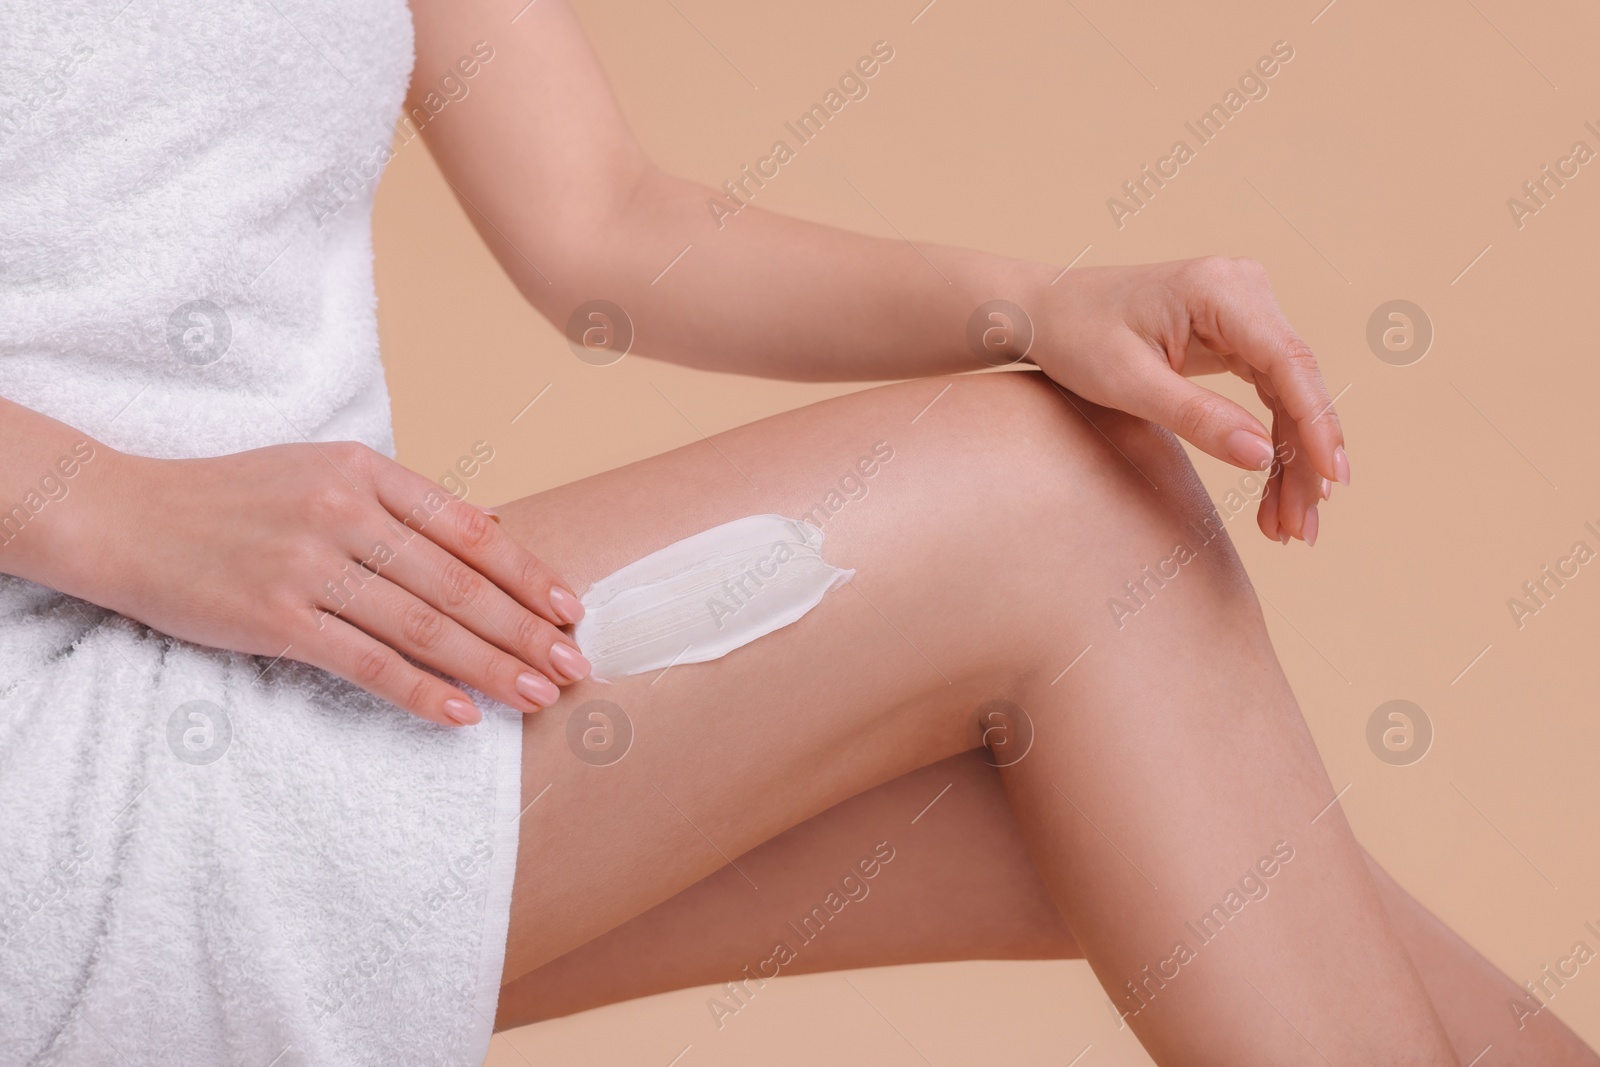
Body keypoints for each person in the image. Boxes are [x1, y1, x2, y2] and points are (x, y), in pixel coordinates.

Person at [0, 0, 1591, 1063]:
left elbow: (603, 223)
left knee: (1186, 820)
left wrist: (1036, 300)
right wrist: (110, 504)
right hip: (60, 729)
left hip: (325, 672)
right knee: (1064, 504)